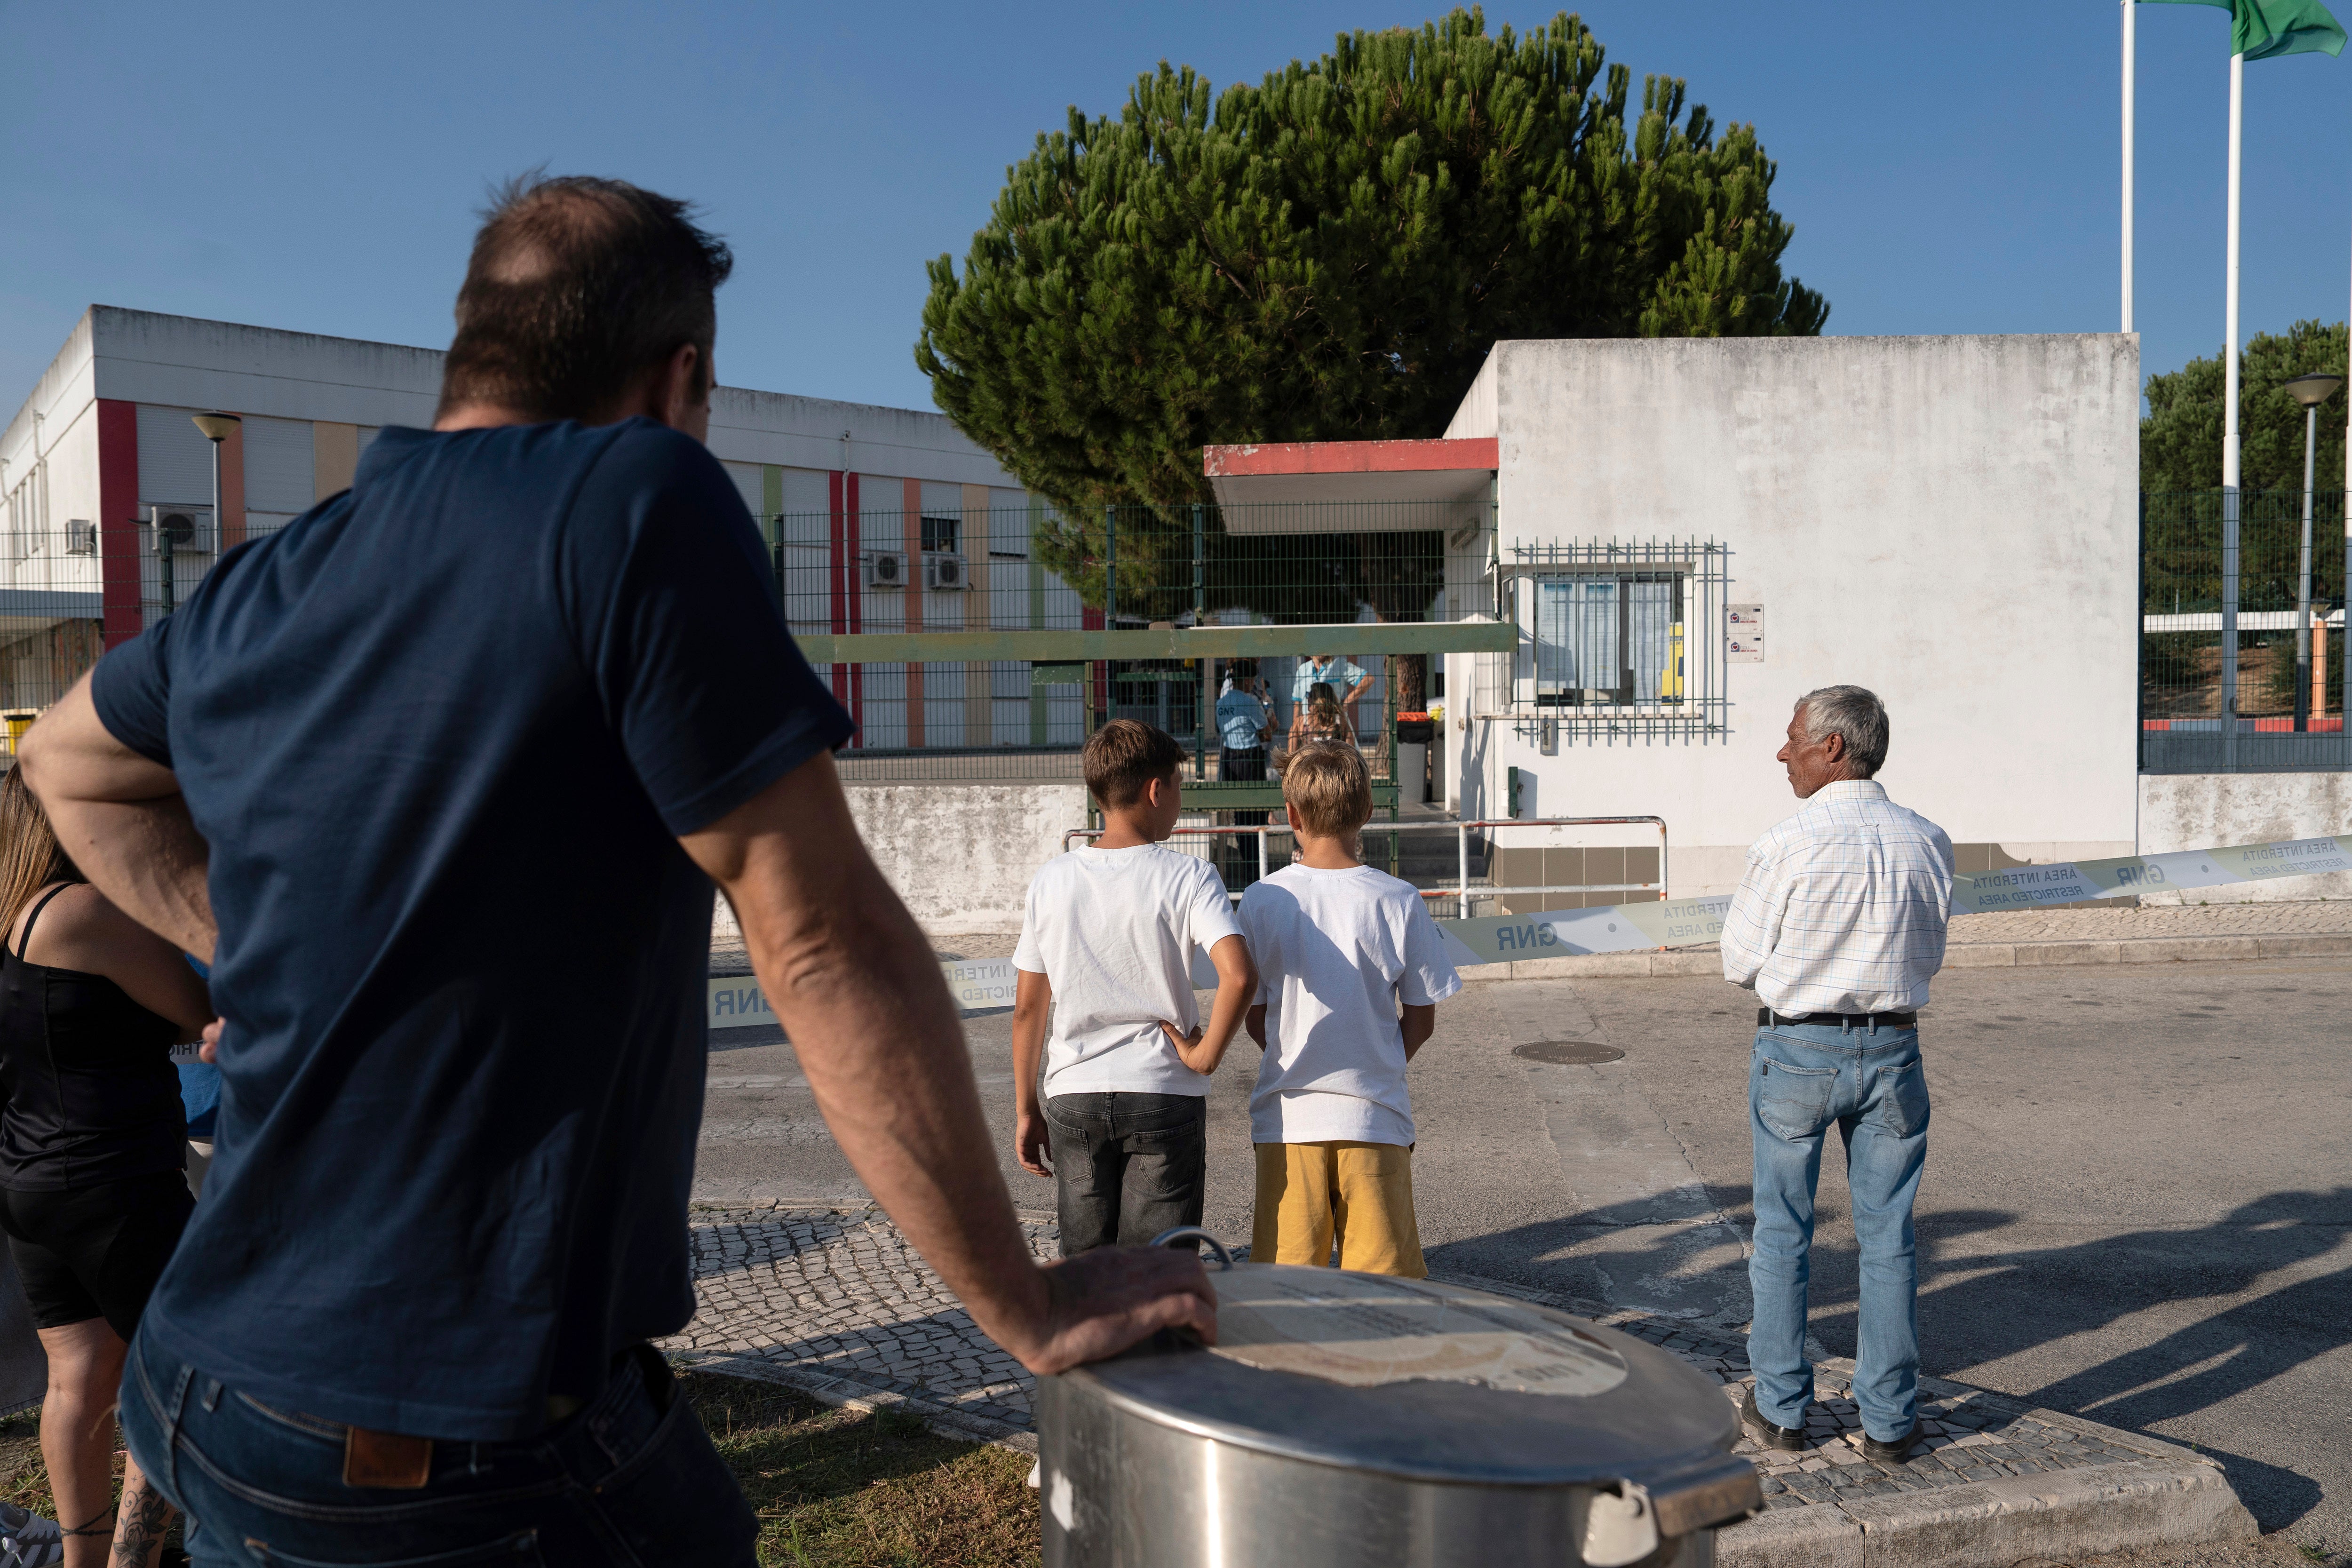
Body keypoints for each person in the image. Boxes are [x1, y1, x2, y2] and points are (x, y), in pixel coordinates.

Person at [19, 175, 1213, 1567]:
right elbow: (819, 939)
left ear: (471, 352)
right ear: (681, 376)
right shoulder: (636, 494)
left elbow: (67, 762)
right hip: (445, 1435)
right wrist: (1023, 1299)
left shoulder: (270, 579)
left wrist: (259, 947)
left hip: (206, 1385)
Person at [1719, 685, 1953, 1466]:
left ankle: (1782, 1407)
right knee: (1889, 1236)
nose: (1782, 752)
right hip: (1893, 1050)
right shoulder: (1929, 840)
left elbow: (1739, 961)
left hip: (1799, 1049)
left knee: (1784, 1231)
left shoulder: (1787, 843)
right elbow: (1930, 951)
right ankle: (1890, 1422)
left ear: (1834, 749)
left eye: (1792, 738)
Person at [0, 768, 212, 1568]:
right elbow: (202, 1006)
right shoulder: (82, 911)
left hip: (35, 1178)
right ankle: (134, 1561)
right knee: (181, 1369)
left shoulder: (15, 915)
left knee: (78, 1377)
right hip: (110, 1182)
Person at [1012, 721, 1255, 1254]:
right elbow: (1239, 974)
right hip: (1162, 1092)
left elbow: (1029, 1009)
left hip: (1073, 1095)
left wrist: (1027, 1108)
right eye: (1178, 787)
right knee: (1158, 1271)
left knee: (1088, 1269)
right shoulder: (1190, 877)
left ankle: (1097, 1337)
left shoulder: (1052, 880)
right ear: (1154, 790)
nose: (1178, 801)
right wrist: (1205, 1056)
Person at [1237, 743, 1459, 1276]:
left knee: (1284, 1282)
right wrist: (1376, 1056)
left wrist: (1292, 1051)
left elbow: (1251, 1013)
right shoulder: (1399, 899)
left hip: (1287, 1120)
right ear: (1367, 812)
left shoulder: (1261, 900)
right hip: (1374, 1116)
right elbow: (1421, 1018)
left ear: (1289, 816)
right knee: (1385, 1287)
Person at [1291, 652, 1370, 735]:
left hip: (1333, 726)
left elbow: (1367, 679)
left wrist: (1346, 702)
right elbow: (1298, 703)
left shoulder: (1339, 665)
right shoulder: (1303, 669)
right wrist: (1296, 728)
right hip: (1309, 728)